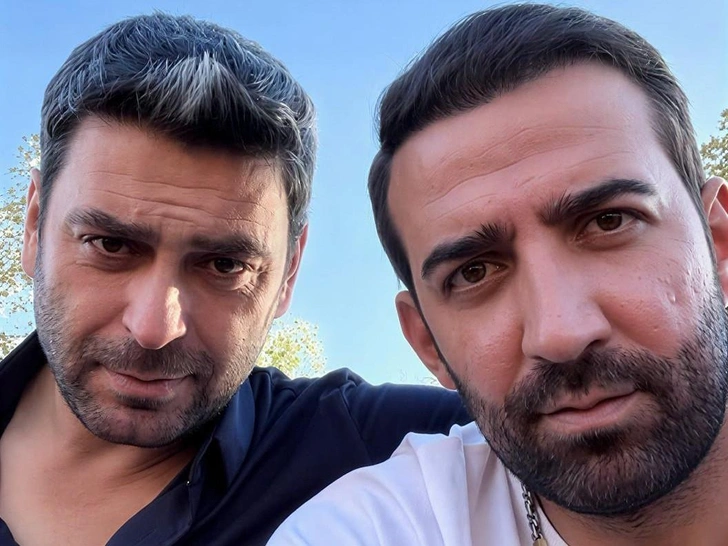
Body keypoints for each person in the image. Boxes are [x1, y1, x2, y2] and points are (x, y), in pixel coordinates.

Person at [0, 13, 470, 546]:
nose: (154, 327)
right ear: (34, 226)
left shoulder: (384, 451)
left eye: (225, 266)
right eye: (110, 245)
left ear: (289, 272)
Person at [268, 4, 728, 546]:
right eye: (474, 272)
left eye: (608, 221)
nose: (560, 333)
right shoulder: (373, 528)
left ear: (719, 245)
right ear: (427, 343)